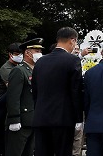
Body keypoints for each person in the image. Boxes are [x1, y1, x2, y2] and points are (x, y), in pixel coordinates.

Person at [32, 27, 83, 156]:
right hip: (63, 118)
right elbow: (75, 91)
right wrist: (78, 118)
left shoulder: (40, 62)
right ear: (72, 40)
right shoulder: (73, 60)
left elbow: (35, 91)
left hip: (41, 117)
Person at [5, 38, 43, 156]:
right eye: (36, 51)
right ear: (27, 53)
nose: (40, 54)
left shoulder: (36, 70)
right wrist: (14, 119)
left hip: (33, 120)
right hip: (21, 122)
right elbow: (13, 97)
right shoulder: (19, 70)